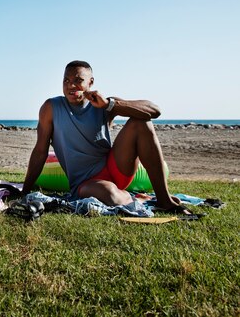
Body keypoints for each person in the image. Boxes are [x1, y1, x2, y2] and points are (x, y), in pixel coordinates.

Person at [21, 60, 188, 213]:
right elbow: (40, 150)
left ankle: (164, 200)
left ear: (90, 82)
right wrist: (25, 190)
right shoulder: (51, 107)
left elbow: (154, 110)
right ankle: (135, 198)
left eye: (78, 80)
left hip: (116, 168)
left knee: (141, 123)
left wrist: (109, 104)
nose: (71, 85)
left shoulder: (103, 103)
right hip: (86, 182)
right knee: (110, 195)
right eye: (66, 81)